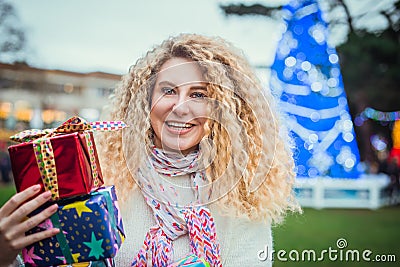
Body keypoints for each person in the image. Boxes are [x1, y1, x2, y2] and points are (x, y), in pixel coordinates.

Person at [0, 33, 300, 267]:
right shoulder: (100, 177)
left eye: (198, 94)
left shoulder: (240, 197)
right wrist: (4, 254)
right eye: (168, 90)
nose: (180, 107)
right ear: (147, 99)